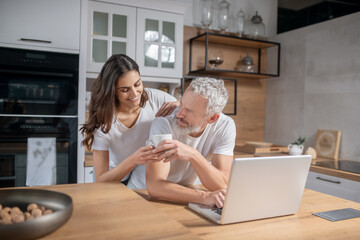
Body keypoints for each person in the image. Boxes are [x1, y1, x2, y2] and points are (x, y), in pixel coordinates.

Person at [80, 54, 178, 189]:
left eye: (137, 84)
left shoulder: (154, 98)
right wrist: (134, 159)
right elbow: (101, 179)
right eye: (124, 90)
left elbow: (190, 108)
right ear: (112, 91)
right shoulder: (104, 122)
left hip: (142, 172)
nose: (134, 94)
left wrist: (179, 103)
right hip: (113, 178)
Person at [146, 77, 236, 208]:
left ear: (212, 118)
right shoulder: (163, 123)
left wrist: (193, 155)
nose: (179, 113)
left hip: (186, 193)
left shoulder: (225, 125)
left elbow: (223, 185)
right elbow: (155, 188)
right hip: (145, 195)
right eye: (181, 104)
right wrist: (205, 197)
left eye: (189, 111)